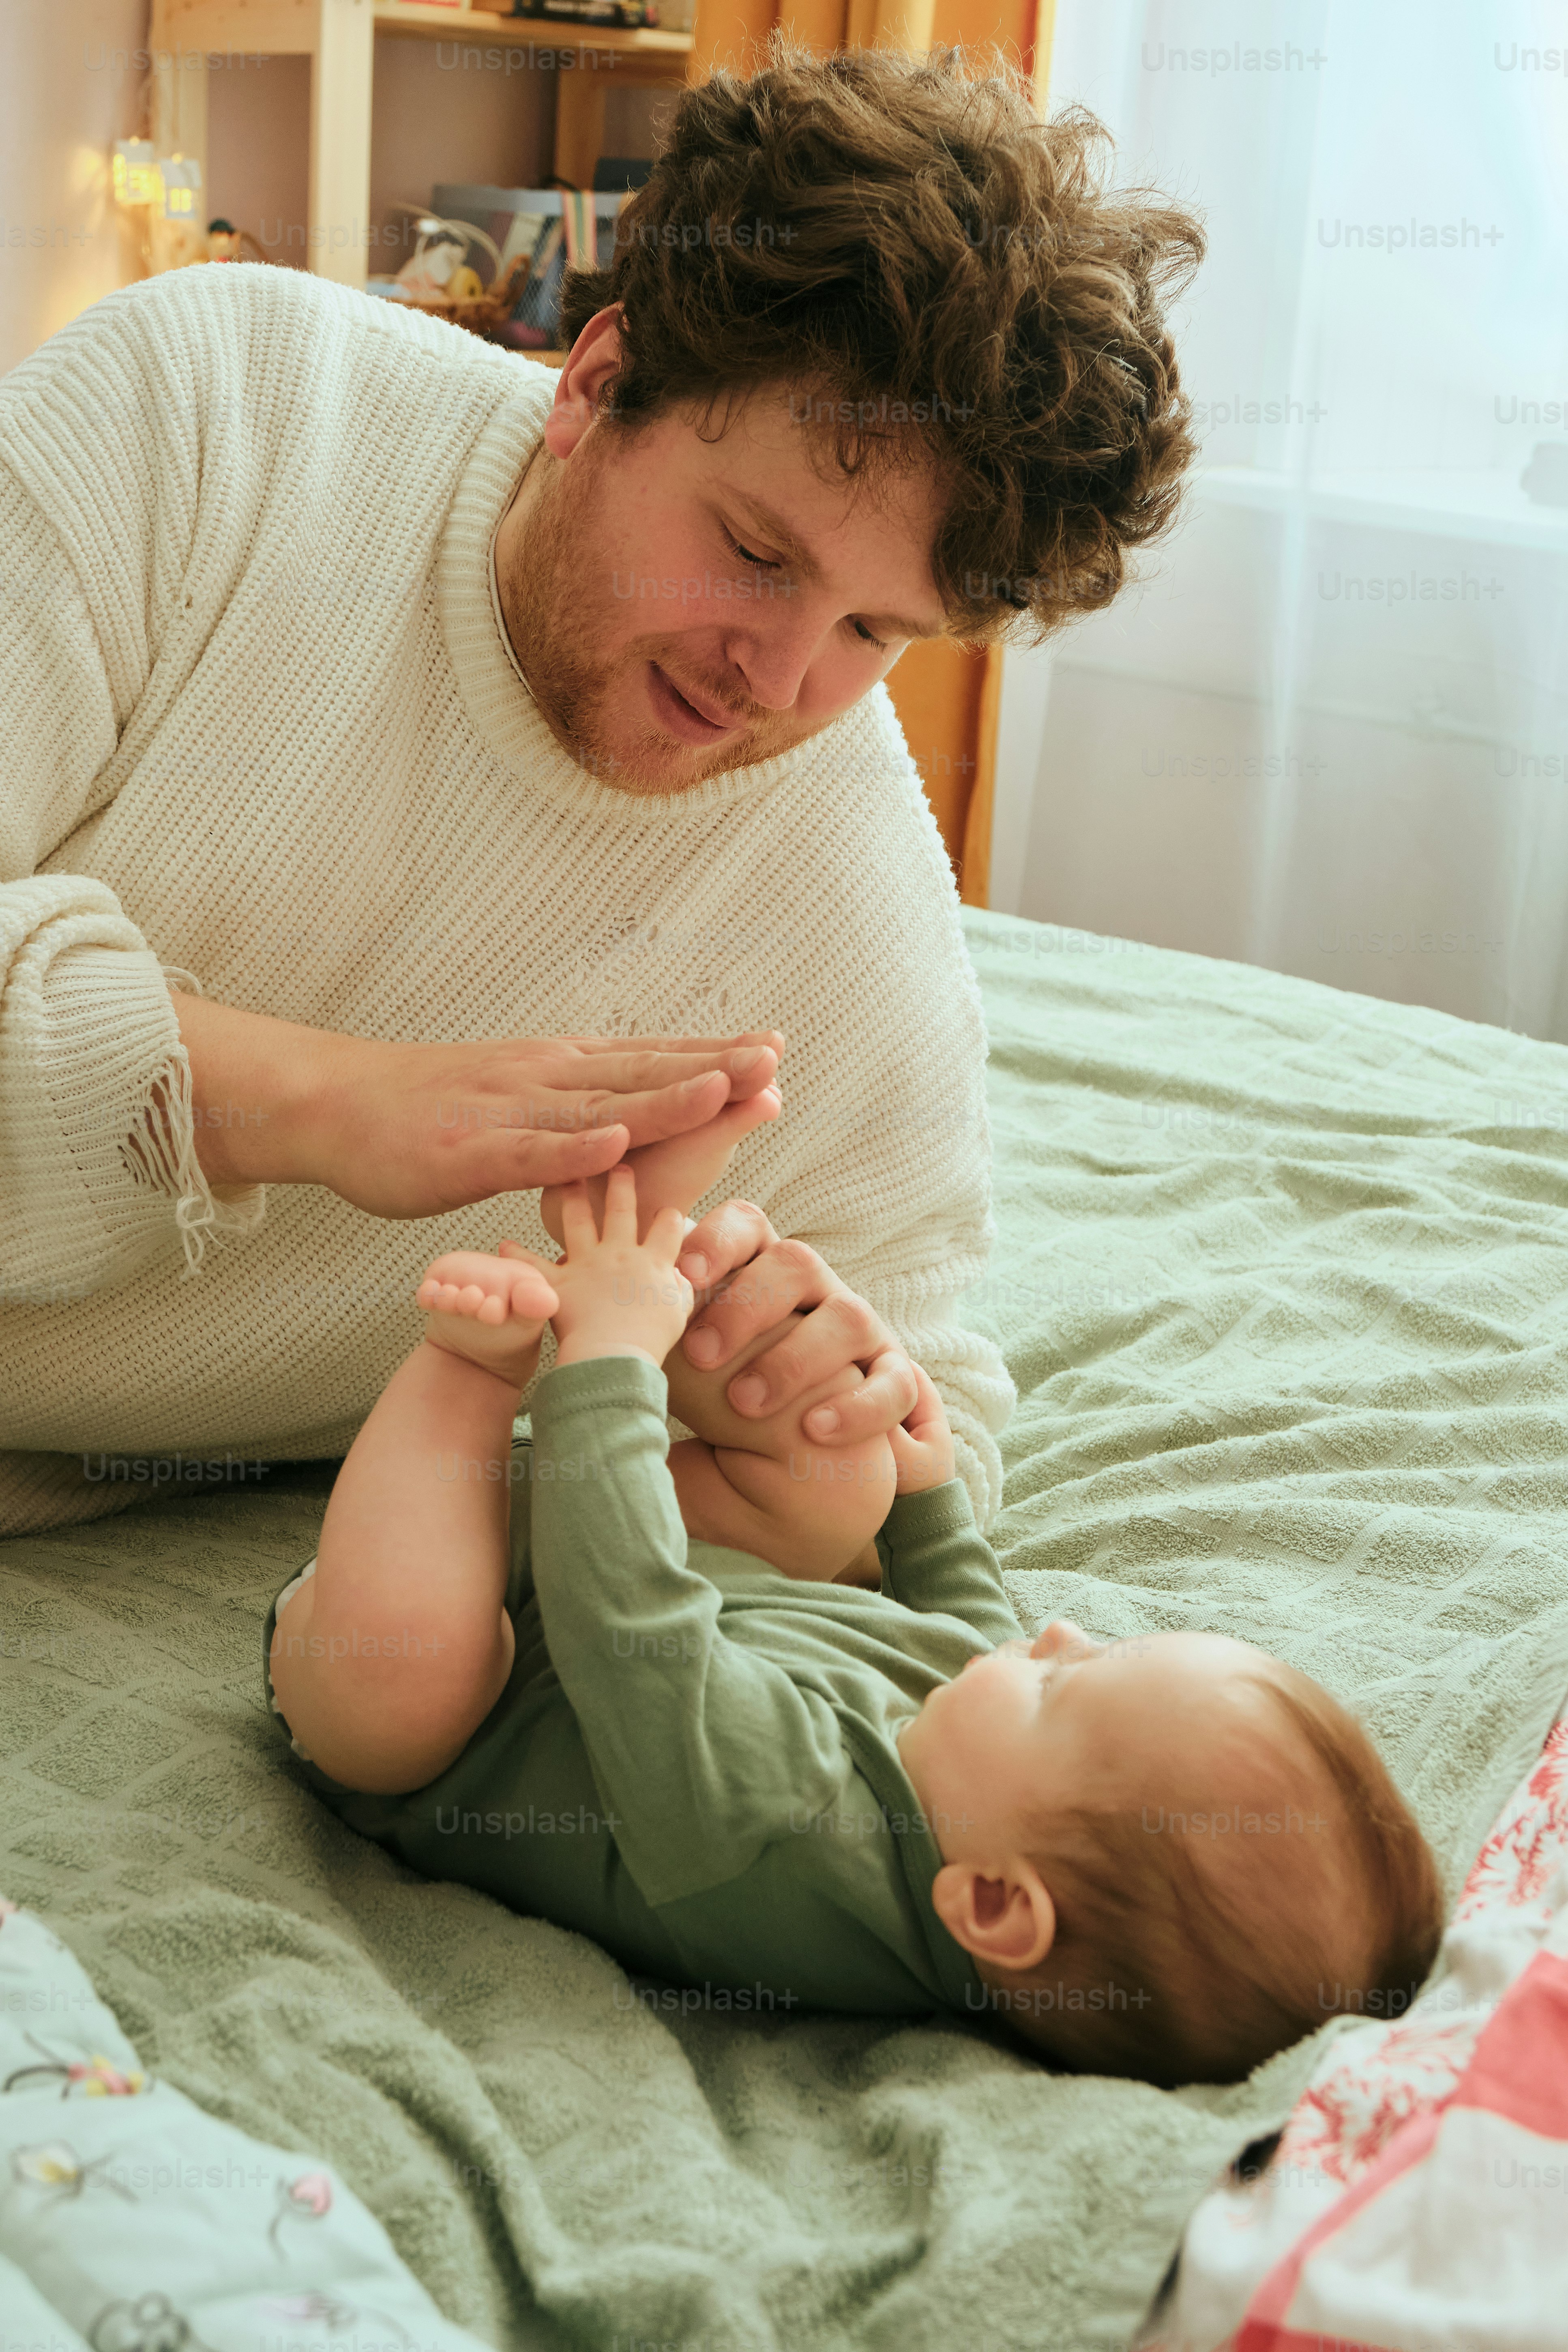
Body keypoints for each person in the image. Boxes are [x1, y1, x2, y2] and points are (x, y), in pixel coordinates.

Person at [0, 41, 1204, 1538]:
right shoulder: (205, 413)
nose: (773, 681)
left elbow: (926, 1455)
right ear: (595, 382)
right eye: (756, 556)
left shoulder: (845, 882)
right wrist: (308, 1102)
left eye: (872, 633)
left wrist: (763, 1405)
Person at [265, 1131, 1444, 2087]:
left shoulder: (783, 1839)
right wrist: (926, 1504)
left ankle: (471, 1377)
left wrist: (605, 1363)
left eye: (1069, 1682)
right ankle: (656, 1250)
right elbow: (973, 1631)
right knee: (849, 1473)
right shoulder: (986, 1800)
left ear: (991, 1905)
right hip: (645, 1579)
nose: (1060, 1635)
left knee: (404, 1684)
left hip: (473, 1682)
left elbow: (625, 1624)